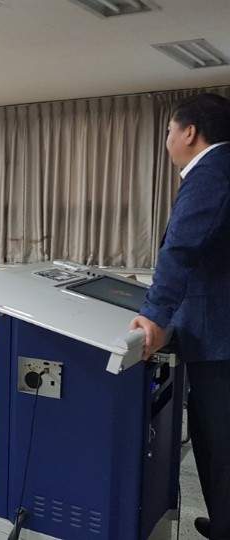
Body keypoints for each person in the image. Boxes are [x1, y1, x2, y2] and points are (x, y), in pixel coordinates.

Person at [129, 93, 230, 540]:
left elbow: (182, 247)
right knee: (210, 437)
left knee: (221, 442)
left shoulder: (211, 172)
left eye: (169, 130)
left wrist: (154, 313)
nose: (167, 139)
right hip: (216, 330)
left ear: (189, 132)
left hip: (220, 336)